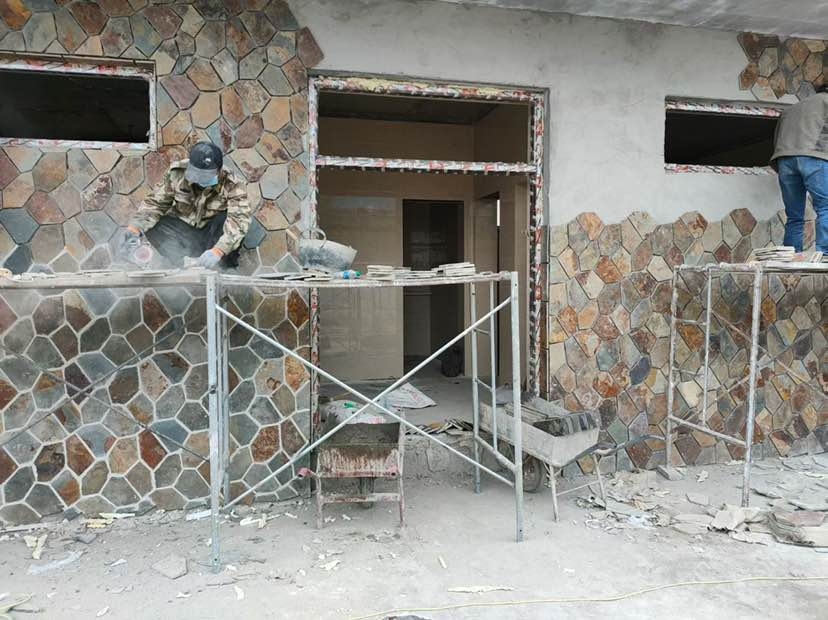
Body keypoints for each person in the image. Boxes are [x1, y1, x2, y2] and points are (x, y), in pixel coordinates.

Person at [121, 142, 251, 269]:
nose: (201, 179)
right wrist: (134, 229)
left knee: (227, 221)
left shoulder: (233, 184)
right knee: (154, 223)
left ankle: (223, 268)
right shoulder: (177, 173)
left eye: (206, 175)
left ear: (218, 171)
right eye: (197, 174)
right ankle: (185, 264)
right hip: (186, 235)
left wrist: (219, 250)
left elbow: (240, 221)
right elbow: (156, 203)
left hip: (212, 237)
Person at [771, 84, 828, 253]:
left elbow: (777, 139)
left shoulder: (791, 109)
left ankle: (791, 257)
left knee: (794, 216)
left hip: (785, 160)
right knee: (825, 208)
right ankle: (825, 256)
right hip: (814, 157)